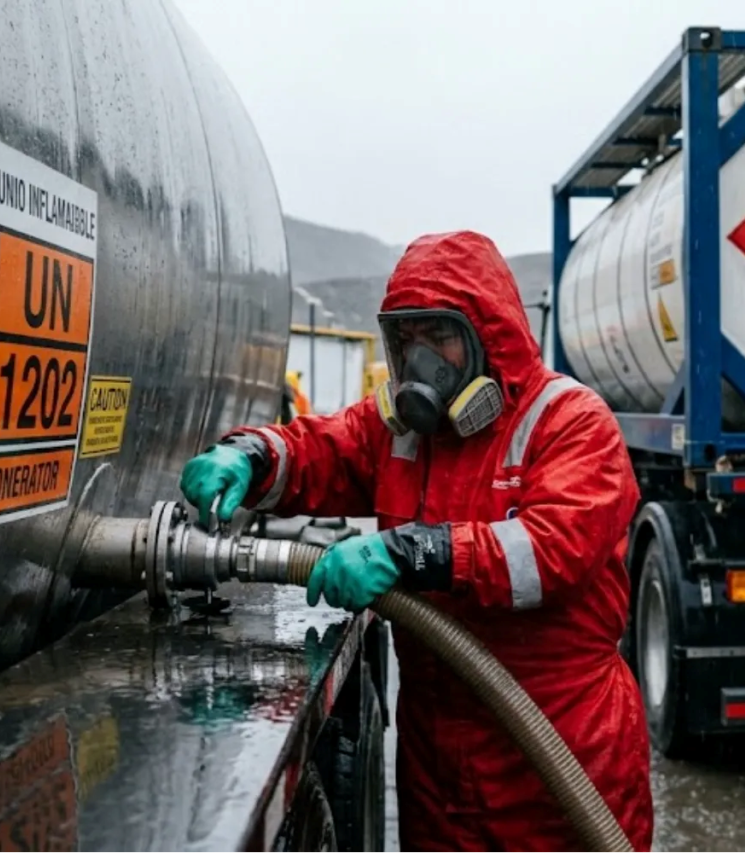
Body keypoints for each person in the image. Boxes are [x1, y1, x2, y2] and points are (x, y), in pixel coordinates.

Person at [180, 231, 654, 852]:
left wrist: (407, 552)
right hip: (439, 774)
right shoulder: (403, 432)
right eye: (408, 339)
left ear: (490, 337)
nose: (421, 358)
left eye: (441, 336)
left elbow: (551, 550)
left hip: (556, 759)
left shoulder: (569, 422)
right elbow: (323, 448)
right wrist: (253, 454)